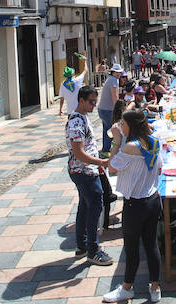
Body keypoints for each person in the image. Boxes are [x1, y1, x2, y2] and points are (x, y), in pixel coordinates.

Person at [102, 109, 163, 302]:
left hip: (135, 204)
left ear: (131, 126)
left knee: (132, 248)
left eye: (123, 123)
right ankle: (155, 288)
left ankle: (127, 288)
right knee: (151, 245)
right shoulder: (154, 142)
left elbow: (111, 166)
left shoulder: (129, 147)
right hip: (153, 200)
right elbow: (159, 168)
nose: (120, 126)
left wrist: (116, 141)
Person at [65, 86, 113, 266]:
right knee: (95, 206)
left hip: (87, 170)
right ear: (81, 101)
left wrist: (97, 164)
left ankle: (82, 245)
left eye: (95, 101)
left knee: (85, 206)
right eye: (91, 101)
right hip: (83, 171)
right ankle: (93, 250)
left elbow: (89, 147)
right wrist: (100, 163)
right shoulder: (76, 123)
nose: (94, 105)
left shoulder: (82, 118)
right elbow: (78, 153)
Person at [98, 64, 123, 154]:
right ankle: (109, 150)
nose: (119, 74)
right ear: (113, 72)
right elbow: (114, 96)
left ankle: (106, 149)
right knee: (111, 130)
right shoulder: (113, 80)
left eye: (120, 73)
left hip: (103, 109)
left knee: (106, 130)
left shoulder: (111, 79)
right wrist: (118, 109)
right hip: (107, 110)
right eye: (117, 72)